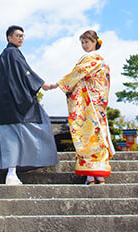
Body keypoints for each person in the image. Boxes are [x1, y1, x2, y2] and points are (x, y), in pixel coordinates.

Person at [0, 25, 59, 185]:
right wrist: (42, 85)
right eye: (18, 35)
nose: (21, 38)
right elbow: (26, 73)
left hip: (2, 104)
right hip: (14, 104)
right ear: (9, 38)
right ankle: (11, 173)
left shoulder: (4, 55)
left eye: (22, 36)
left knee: (1, 137)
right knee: (23, 132)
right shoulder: (13, 53)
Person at [48, 30, 114, 184]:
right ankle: (94, 174)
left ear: (95, 42)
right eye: (83, 42)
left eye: (87, 42)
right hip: (96, 102)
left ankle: (94, 175)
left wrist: (57, 84)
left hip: (90, 102)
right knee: (95, 136)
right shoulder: (101, 62)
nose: (85, 45)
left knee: (88, 135)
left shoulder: (92, 60)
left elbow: (77, 74)